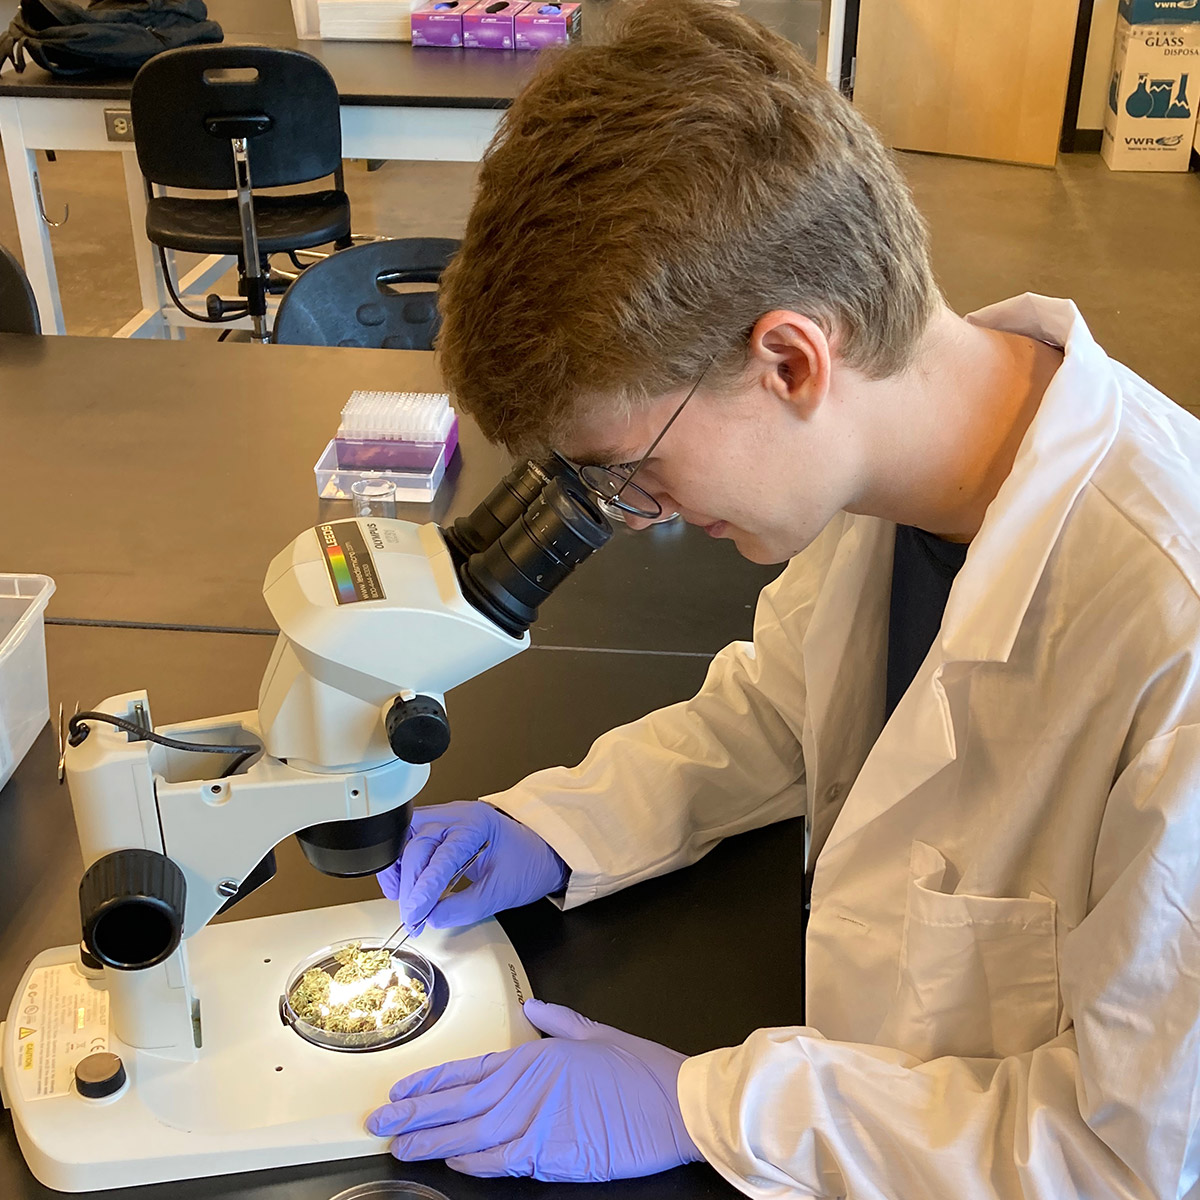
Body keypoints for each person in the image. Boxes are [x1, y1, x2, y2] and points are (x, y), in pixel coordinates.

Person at [366, 1, 1200, 1195]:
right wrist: (554, 829)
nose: (634, 511)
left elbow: (1124, 1152)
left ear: (793, 360)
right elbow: (776, 709)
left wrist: (713, 1105)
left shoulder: (1175, 629)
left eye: (632, 464)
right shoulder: (886, 478)